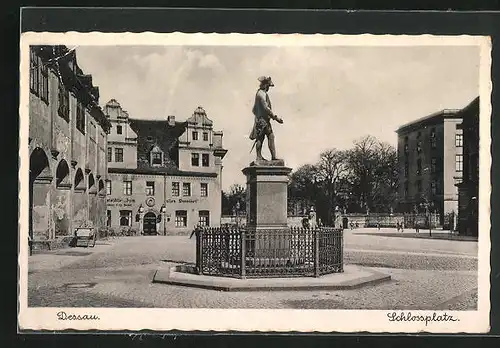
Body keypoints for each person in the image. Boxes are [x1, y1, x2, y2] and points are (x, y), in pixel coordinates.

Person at [249, 76, 284, 161]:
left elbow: (254, 110)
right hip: (262, 120)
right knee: (266, 137)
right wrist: (276, 118)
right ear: (265, 85)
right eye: (268, 86)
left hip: (263, 119)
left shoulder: (260, 93)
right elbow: (266, 108)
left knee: (265, 137)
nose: (268, 88)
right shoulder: (261, 94)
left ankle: (266, 156)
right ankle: (261, 156)